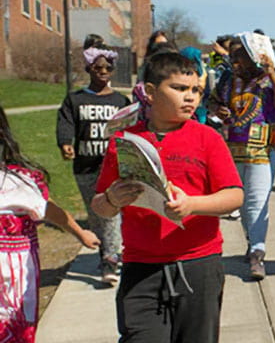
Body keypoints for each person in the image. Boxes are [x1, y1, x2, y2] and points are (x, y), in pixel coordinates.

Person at [90, 52, 244, 343]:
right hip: (141, 266)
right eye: (179, 88)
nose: (190, 97)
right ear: (150, 91)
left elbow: (235, 196)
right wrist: (112, 198)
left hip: (198, 263)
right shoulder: (124, 141)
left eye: (196, 90)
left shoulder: (207, 138)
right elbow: (101, 207)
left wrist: (192, 205)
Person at [1, 103, 100, 342]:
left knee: (13, 328)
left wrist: (80, 232)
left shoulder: (19, 180)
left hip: (14, 271)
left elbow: (49, 209)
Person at [211, 34, 275, 280]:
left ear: (254, 56)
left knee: (257, 203)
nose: (235, 62)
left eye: (240, 57)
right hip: (232, 149)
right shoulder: (227, 79)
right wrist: (218, 109)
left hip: (262, 150)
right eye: (233, 57)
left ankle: (258, 253)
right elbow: (212, 101)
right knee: (241, 201)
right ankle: (252, 241)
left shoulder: (271, 80)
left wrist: (271, 74)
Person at [56, 46, 130, 284]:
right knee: (96, 213)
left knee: (111, 210)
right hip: (85, 166)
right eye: (98, 68)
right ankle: (109, 251)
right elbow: (66, 123)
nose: (103, 71)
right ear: (89, 69)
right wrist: (65, 143)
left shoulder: (120, 100)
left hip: (113, 166)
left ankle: (110, 259)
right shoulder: (75, 100)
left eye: (108, 68)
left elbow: (130, 128)